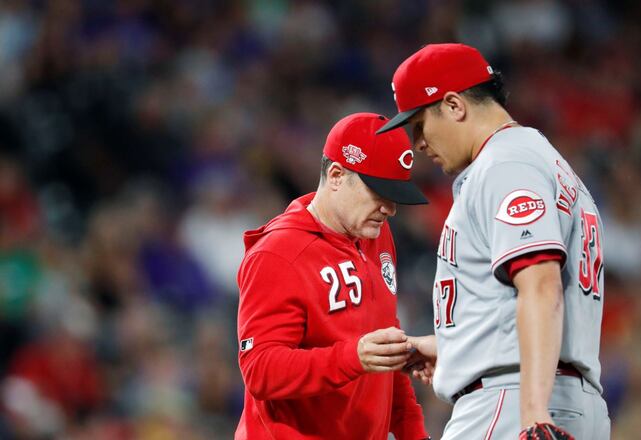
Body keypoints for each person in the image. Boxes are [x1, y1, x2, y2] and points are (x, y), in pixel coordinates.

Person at [377, 44, 610, 439]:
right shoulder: (543, 160)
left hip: (512, 404)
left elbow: (540, 283)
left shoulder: (504, 165)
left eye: (419, 125)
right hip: (561, 396)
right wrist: (455, 349)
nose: (417, 143)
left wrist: (534, 415)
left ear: (454, 106)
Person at [235, 112, 430, 439]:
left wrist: (413, 432)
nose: (390, 209)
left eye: (394, 195)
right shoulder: (278, 253)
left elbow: (385, 348)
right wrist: (353, 356)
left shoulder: (375, 234)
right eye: (378, 192)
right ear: (337, 175)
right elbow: (260, 370)